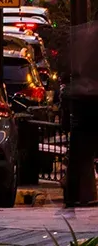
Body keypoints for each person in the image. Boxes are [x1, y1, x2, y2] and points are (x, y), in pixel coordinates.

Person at [65, 21, 98, 206]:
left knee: (79, 150)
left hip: (82, 96)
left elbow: (72, 65)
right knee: (80, 149)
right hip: (91, 96)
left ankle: (72, 195)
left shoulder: (81, 34)